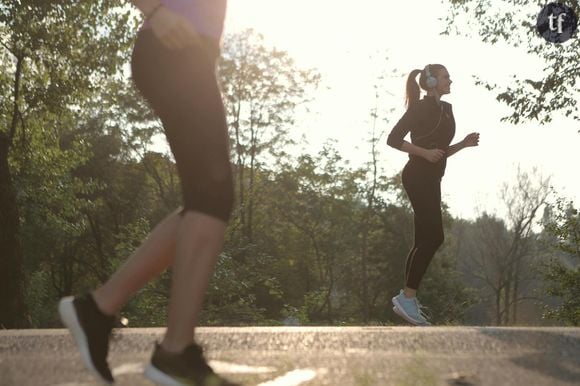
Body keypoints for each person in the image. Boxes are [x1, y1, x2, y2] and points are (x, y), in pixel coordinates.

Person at [58, 1, 238, 385]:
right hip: (171, 46)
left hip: (190, 55)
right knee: (213, 196)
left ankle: (98, 308)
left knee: (205, 200)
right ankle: (174, 353)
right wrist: (156, 9)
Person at [386, 64, 479, 326]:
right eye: (446, 77)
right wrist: (424, 153)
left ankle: (408, 300)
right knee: (435, 236)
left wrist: (462, 144)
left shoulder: (447, 109)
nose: (451, 80)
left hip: (432, 178)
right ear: (431, 81)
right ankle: (407, 297)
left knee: (422, 240)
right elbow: (393, 139)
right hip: (416, 175)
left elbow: (440, 151)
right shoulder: (419, 108)